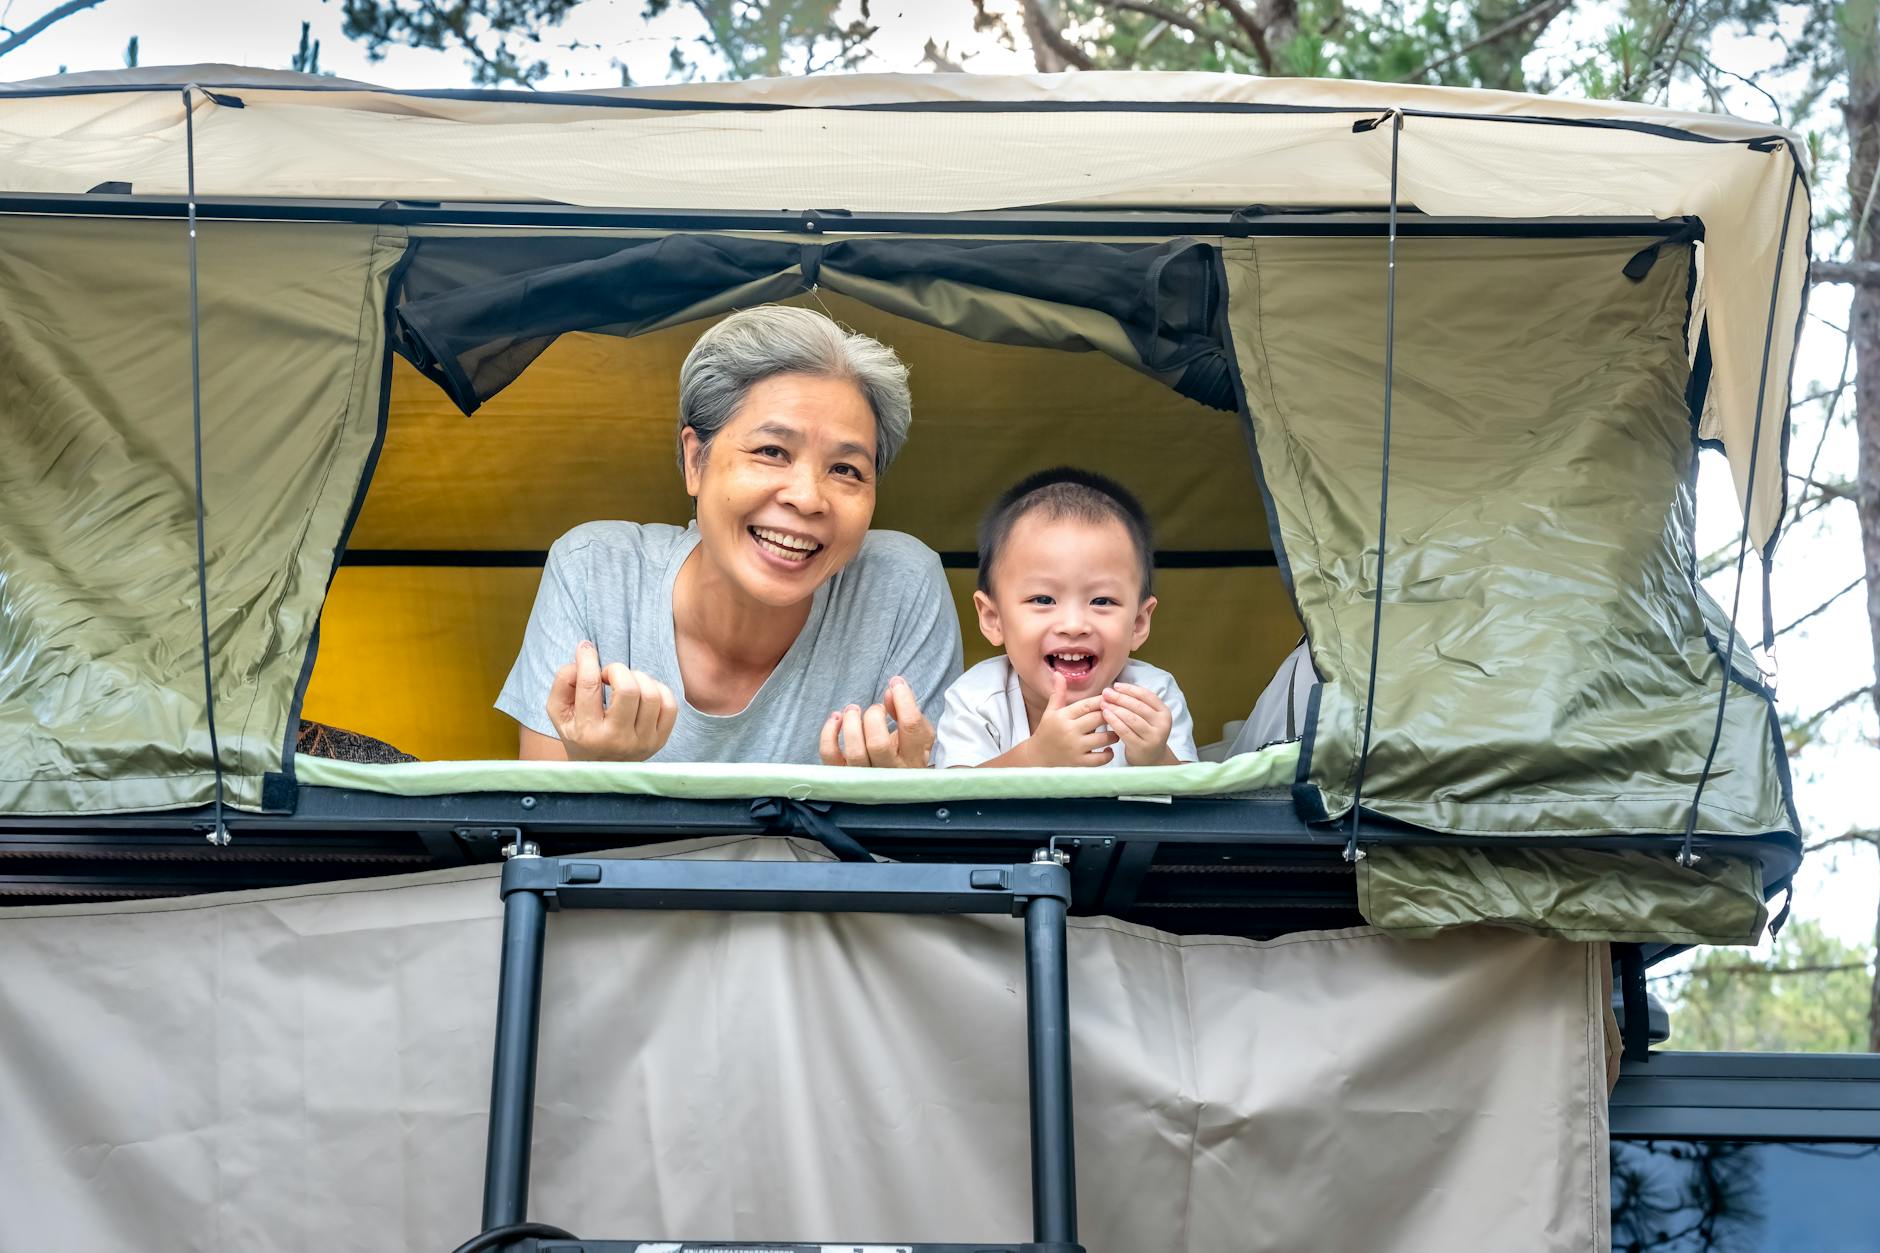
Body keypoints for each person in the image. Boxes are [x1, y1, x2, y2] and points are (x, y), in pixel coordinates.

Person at [496, 305, 961, 766]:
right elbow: (535, 828)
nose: (807, 497)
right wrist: (595, 773)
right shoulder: (595, 569)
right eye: (772, 451)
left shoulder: (901, 586)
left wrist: (898, 801)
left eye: (845, 469)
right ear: (696, 462)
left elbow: (937, 820)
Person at [933, 467, 1196, 769]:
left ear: (1138, 623)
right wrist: (1033, 758)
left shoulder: (1151, 697)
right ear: (994, 619)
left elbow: (1195, 808)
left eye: (1102, 601)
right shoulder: (976, 699)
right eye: (1043, 600)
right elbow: (954, 802)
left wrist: (1157, 758)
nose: (1074, 626)